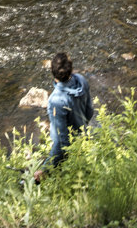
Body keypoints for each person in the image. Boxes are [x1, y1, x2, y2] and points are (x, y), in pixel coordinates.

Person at [34, 51, 94, 182]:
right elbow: (90, 111)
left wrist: (45, 169)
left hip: (69, 153)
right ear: (71, 70)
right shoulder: (81, 81)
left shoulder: (56, 101)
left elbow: (61, 142)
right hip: (84, 142)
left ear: (53, 73)